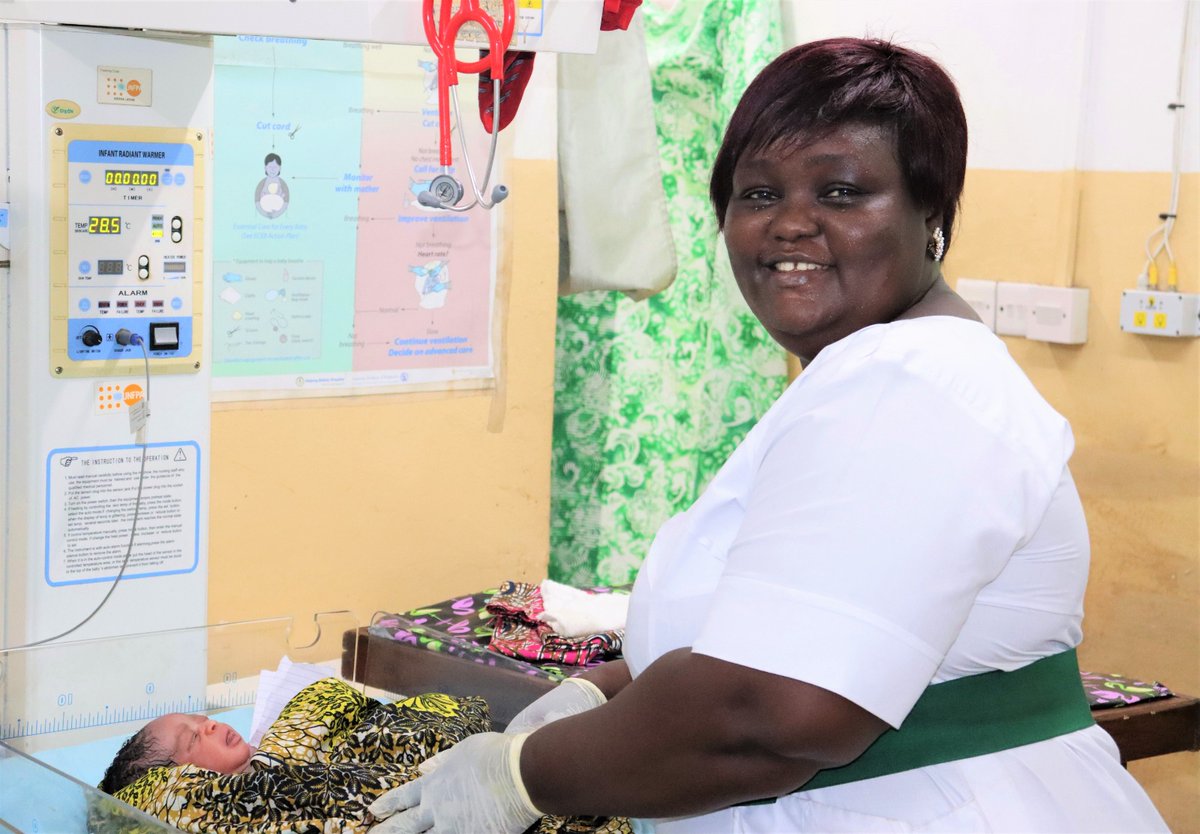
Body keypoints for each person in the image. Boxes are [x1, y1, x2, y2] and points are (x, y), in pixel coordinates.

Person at [366, 38, 1171, 834]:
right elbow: (779, 623)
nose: (790, 226)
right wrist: (606, 693)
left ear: (932, 214)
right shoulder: (864, 377)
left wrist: (523, 779)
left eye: (843, 192)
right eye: (757, 195)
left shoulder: (911, 386)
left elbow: (777, 714)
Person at [99, 676, 630, 834]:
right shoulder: (178, 805)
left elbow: (358, 717)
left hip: (492, 769)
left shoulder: (290, 737)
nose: (210, 724)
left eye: (202, 718)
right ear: (172, 782)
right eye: (192, 741)